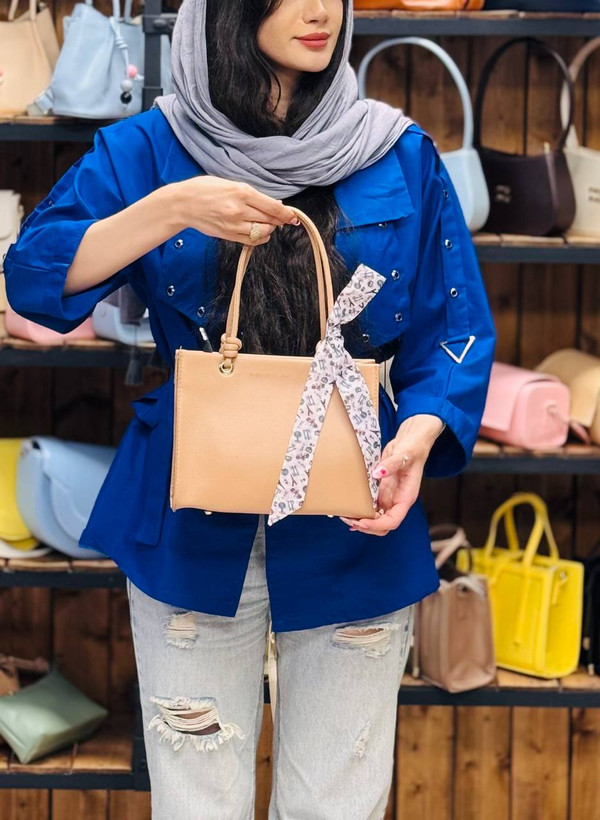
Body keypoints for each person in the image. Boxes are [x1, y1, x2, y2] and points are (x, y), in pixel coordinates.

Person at [3, 0, 496, 816]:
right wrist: (174, 207)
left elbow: (456, 330)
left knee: (337, 808)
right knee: (196, 804)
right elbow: (32, 280)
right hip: (190, 521)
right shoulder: (151, 148)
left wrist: (418, 432)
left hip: (355, 519)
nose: (320, 10)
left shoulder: (398, 151)